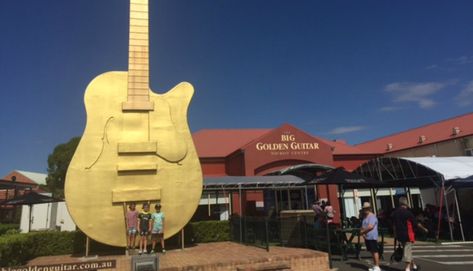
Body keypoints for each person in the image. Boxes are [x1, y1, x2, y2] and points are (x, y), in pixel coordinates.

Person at [391, 197, 428, 271]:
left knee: (408, 250)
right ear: (406, 203)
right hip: (407, 234)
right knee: (407, 250)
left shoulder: (395, 213)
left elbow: (394, 225)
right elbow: (416, 223)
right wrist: (424, 229)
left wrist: (395, 234)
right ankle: (407, 268)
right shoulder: (407, 213)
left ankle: (414, 266)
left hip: (399, 234)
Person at [360, 202, 381, 271]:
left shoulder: (372, 216)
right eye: (364, 208)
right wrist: (363, 233)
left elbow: (370, 227)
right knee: (372, 251)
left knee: (375, 251)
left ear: (370, 208)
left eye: (367, 208)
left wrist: (363, 232)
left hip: (372, 236)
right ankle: (375, 265)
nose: (365, 210)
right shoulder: (365, 217)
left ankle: (377, 266)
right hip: (367, 237)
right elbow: (363, 226)